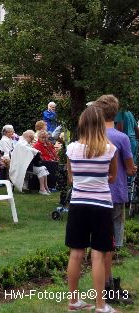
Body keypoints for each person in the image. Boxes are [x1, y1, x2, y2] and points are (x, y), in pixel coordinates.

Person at [65, 105, 118, 313]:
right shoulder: (109, 149)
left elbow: (71, 177)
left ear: (82, 124)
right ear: (100, 124)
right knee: (98, 255)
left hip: (78, 205)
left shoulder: (71, 149)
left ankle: (73, 301)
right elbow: (112, 176)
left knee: (75, 254)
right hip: (101, 206)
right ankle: (100, 305)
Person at [94, 95, 136, 305]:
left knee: (99, 242)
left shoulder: (90, 137)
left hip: (93, 195)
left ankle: (104, 285)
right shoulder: (121, 138)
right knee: (110, 243)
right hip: (115, 193)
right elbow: (129, 169)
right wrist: (133, 168)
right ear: (116, 112)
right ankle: (108, 287)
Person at [9, 130, 50, 195]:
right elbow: (28, 149)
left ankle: (45, 187)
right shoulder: (21, 144)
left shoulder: (22, 143)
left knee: (43, 168)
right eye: (31, 139)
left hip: (24, 166)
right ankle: (42, 189)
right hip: (21, 168)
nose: (31, 141)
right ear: (28, 137)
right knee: (41, 169)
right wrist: (37, 152)